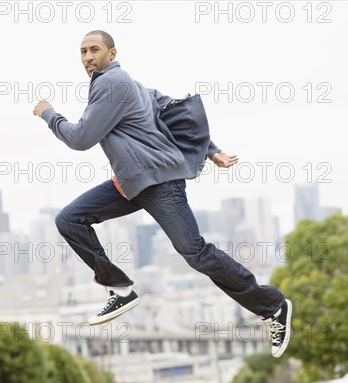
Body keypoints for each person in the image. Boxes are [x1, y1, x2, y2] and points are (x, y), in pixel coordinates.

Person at [33, 30, 293, 357]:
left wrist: (48, 114)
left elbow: (81, 137)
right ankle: (120, 289)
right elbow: (171, 110)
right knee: (70, 219)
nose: (87, 57)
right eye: (82, 51)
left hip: (158, 182)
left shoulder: (111, 84)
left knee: (196, 253)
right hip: (132, 181)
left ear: (112, 53)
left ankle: (273, 305)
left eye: (94, 50)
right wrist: (211, 149)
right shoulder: (131, 86)